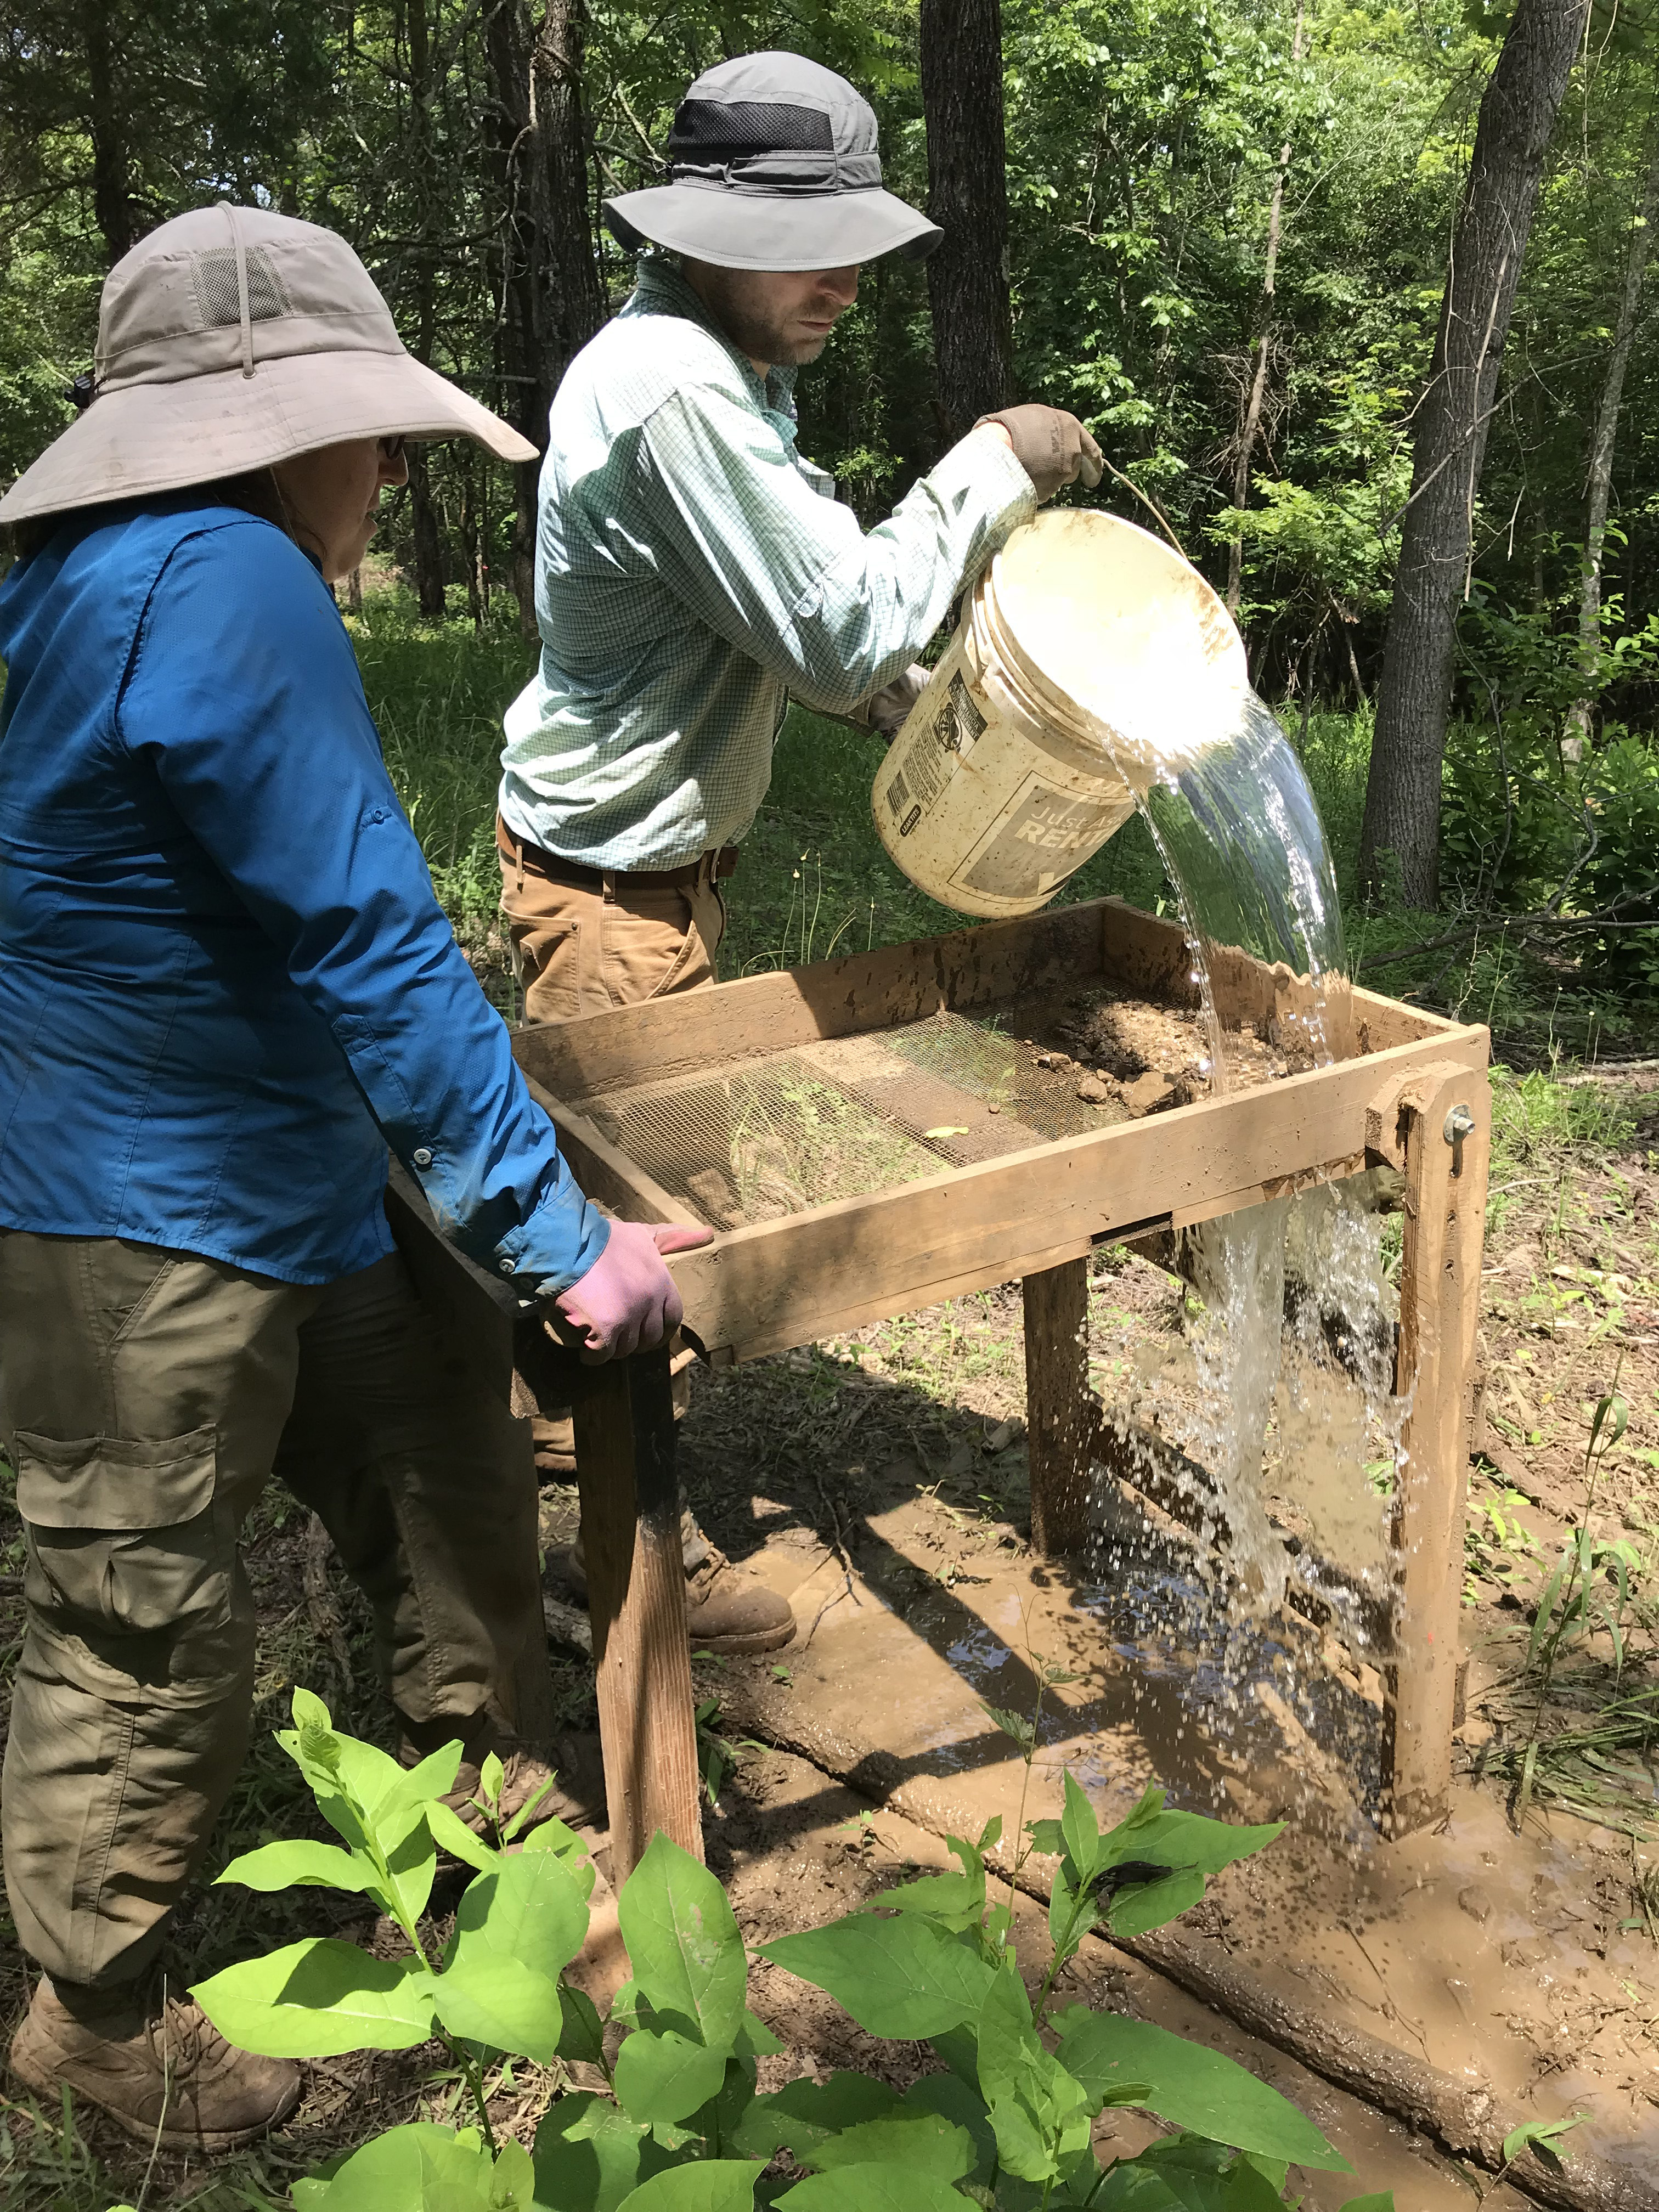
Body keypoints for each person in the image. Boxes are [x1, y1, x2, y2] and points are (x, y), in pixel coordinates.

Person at [0, 205, 703, 2149]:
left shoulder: (104, 571)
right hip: (137, 1202)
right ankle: (101, 2025)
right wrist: (566, 1244)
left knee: (442, 1456)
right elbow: (373, 935)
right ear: (260, 426)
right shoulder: (219, 573)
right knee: (140, 1611)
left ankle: (493, 1821)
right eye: (373, 430)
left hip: (289, 1158)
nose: (392, 468)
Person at [497, 50, 1103, 1652]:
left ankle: (553, 1525)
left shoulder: (711, 367)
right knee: (641, 1243)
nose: (846, 281)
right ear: (708, 233)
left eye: (858, 243)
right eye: (814, 247)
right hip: (612, 897)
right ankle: (609, 1579)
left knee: (625, 1215)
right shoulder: (682, 387)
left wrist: (937, 718)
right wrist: (992, 457)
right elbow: (835, 626)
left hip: (639, 872)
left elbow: (779, 622)